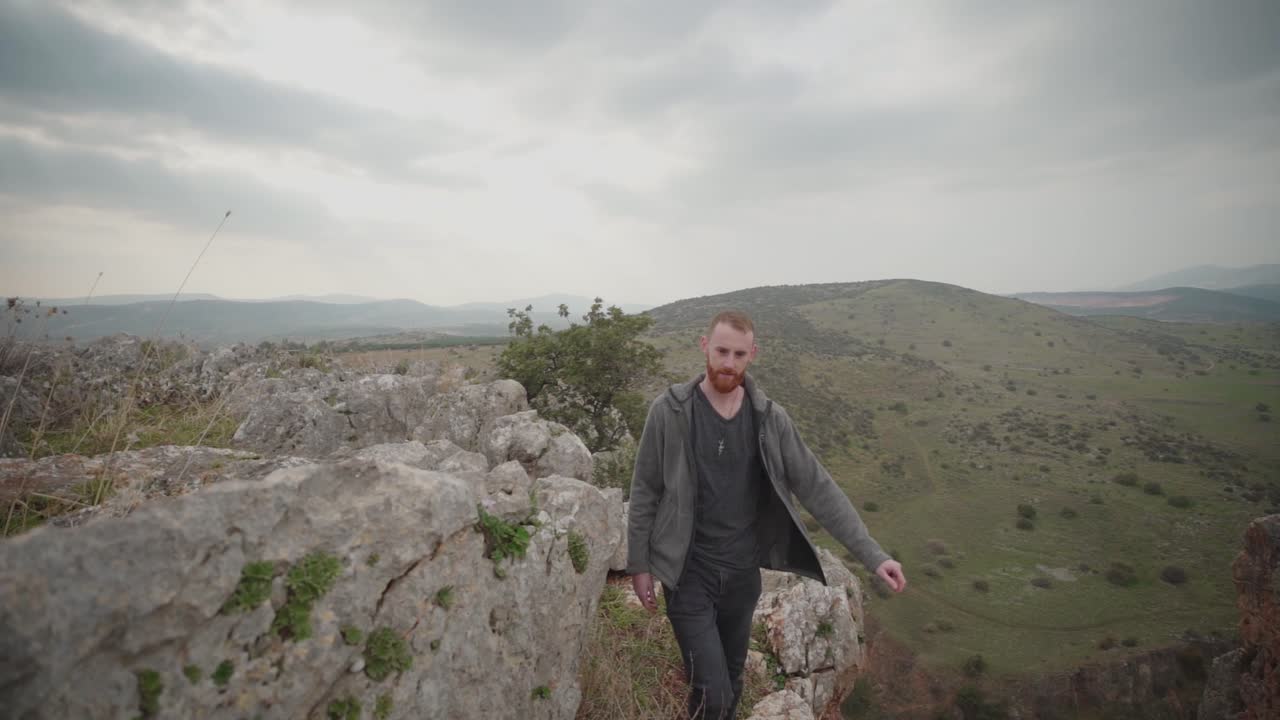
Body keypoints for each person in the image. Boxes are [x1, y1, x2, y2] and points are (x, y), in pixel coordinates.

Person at [627, 310, 907, 719]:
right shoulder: (670, 412)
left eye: (739, 354)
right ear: (705, 346)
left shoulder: (769, 420)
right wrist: (639, 564)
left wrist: (874, 555)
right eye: (722, 351)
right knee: (714, 692)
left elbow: (817, 487)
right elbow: (645, 490)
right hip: (688, 574)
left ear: (752, 355)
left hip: (742, 578)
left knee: (731, 682)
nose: (729, 363)